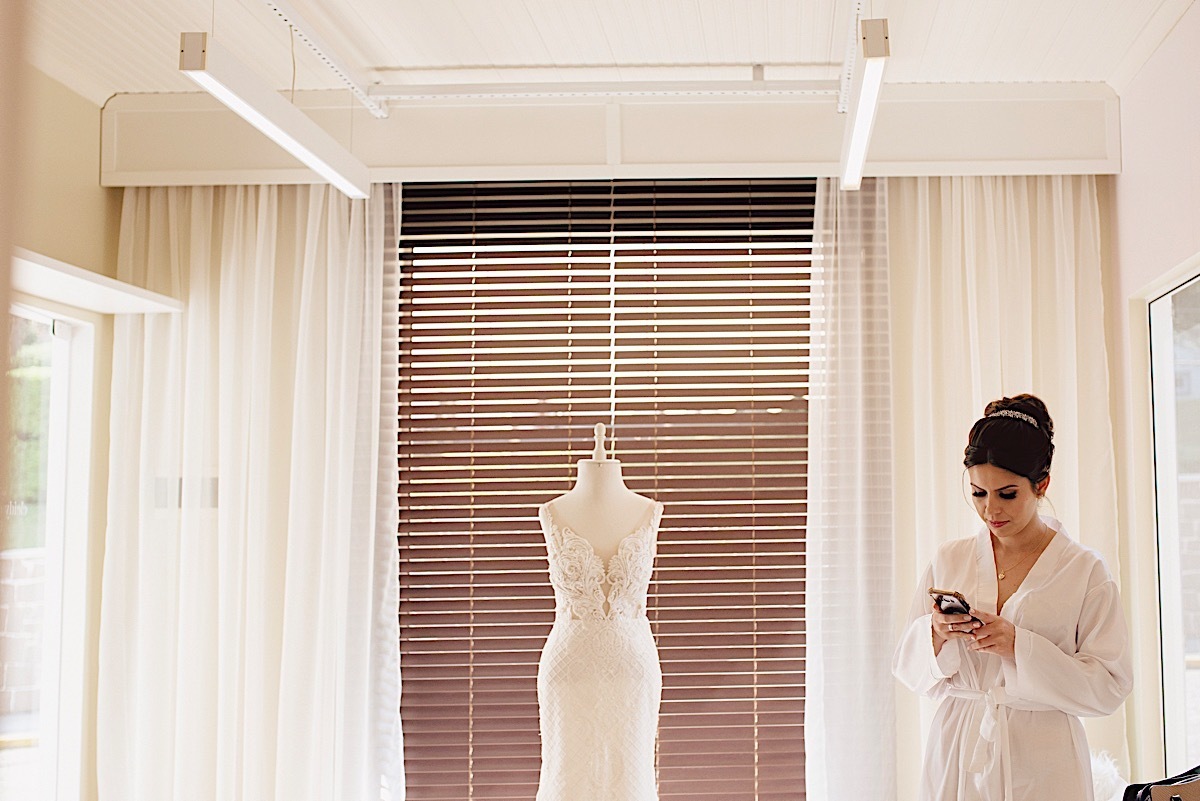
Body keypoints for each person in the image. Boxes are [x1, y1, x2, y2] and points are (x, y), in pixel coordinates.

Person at [893, 394, 1133, 801]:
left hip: (1046, 759)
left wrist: (1020, 645)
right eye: (977, 494)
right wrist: (935, 632)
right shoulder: (950, 558)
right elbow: (908, 669)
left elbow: (1109, 686)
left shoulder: (1085, 571)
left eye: (1006, 495)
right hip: (959, 748)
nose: (990, 511)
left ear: (1041, 485)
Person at [535, 423, 663, 801]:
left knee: (631, 778)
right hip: (568, 668)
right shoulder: (553, 512)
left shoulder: (649, 511)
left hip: (633, 670)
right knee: (567, 776)